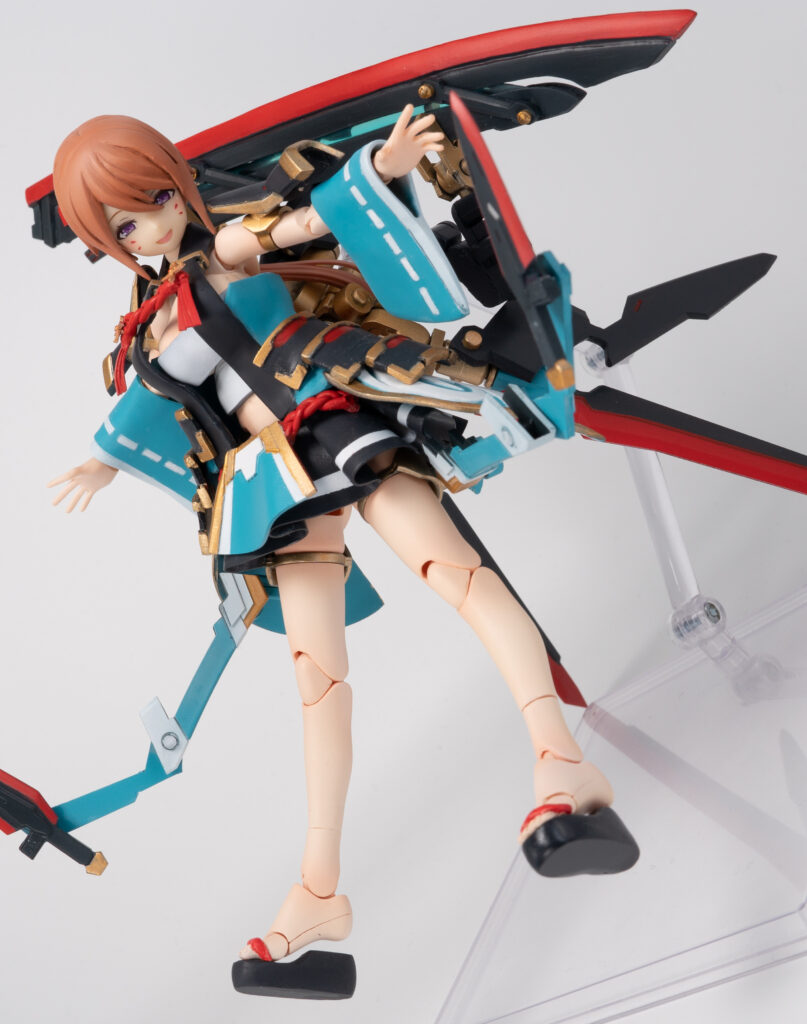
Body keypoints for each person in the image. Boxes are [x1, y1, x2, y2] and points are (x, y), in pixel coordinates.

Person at [47, 109, 632, 972]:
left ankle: (562, 764)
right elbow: (151, 403)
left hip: (328, 427)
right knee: (316, 680)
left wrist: (379, 170)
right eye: (125, 226)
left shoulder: (222, 252)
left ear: (177, 184)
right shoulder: (150, 316)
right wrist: (100, 462)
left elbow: (295, 226)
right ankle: (319, 891)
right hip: (265, 478)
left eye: (156, 200)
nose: (152, 227)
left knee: (458, 576)